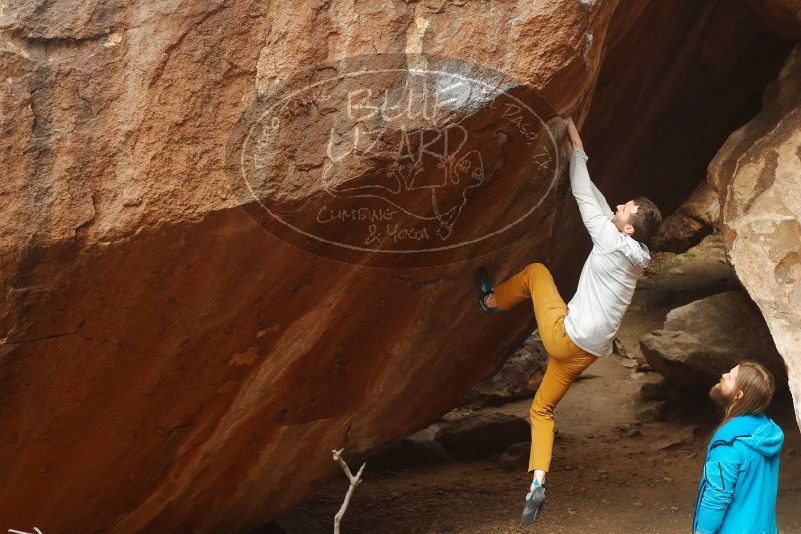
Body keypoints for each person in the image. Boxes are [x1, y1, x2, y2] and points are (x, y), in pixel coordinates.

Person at [474, 116, 662, 524]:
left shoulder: (613, 242)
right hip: (587, 353)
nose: (618, 204)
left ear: (628, 228)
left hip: (567, 336)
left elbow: (582, 194)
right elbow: (596, 199)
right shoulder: (634, 254)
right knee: (541, 410)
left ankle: (490, 301)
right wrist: (579, 144)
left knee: (537, 273)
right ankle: (537, 484)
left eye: (625, 207)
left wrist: (575, 148)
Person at [693, 361, 784, 534]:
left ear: (738, 395)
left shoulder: (729, 443)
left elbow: (716, 497)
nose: (724, 375)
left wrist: (701, 531)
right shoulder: (766, 432)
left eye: (730, 377)